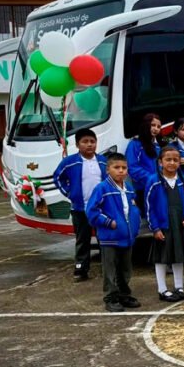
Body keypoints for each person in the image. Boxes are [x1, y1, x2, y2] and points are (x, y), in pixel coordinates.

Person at [86, 153, 142, 312]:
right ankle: (111, 297)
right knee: (110, 269)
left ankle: (124, 294)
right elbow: (92, 211)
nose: (121, 171)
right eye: (116, 167)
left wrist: (135, 226)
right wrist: (109, 222)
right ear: (107, 169)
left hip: (127, 236)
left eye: (124, 168)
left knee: (125, 268)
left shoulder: (129, 188)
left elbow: (133, 209)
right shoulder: (102, 188)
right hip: (110, 238)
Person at [53, 128, 108, 282]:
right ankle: (81, 268)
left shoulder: (103, 161)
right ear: (77, 145)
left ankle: (108, 268)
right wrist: (69, 193)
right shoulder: (69, 162)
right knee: (82, 240)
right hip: (79, 208)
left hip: (101, 208)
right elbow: (57, 177)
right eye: (85, 142)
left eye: (92, 141)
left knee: (104, 238)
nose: (89, 145)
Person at [145, 146, 184, 302]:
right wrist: (155, 228)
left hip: (180, 224)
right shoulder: (153, 181)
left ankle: (179, 287)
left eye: (175, 160)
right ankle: (162, 289)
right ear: (160, 162)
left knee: (178, 255)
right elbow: (149, 206)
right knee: (162, 257)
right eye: (168, 159)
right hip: (163, 225)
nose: (172, 163)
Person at [126, 113, 161, 204]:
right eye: (153, 125)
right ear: (146, 125)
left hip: (158, 187)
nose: (156, 129)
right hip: (142, 188)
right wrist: (152, 179)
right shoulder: (135, 144)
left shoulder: (157, 146)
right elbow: (132, 168)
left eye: (158, 127)